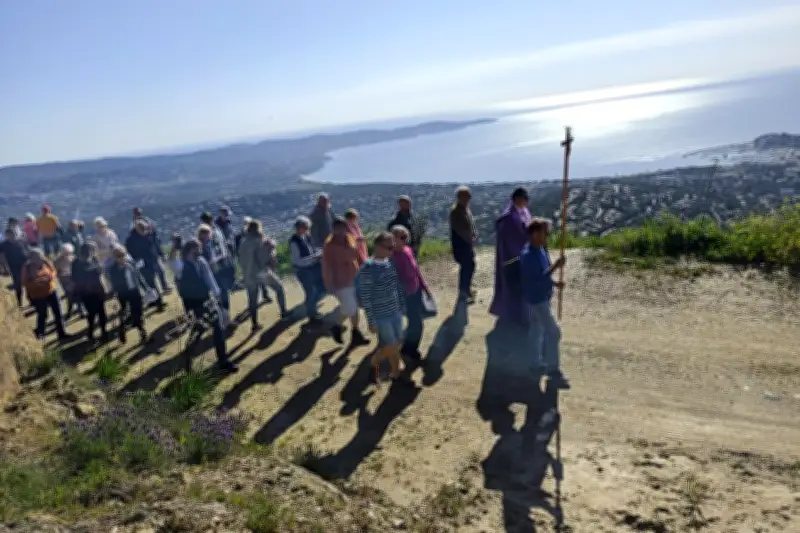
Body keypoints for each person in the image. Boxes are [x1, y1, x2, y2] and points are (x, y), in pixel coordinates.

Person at [357, 232, 415, 387]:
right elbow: (366, 297)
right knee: (392, 345)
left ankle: (395, 373)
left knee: (397, 343)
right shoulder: (367, 269)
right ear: (377, 246)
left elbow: (397, 286)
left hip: (395, 311)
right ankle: (375, 364)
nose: (392, 251)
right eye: (389, 247)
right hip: (381, 315)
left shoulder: (390, 263)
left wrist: (402, 305)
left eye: (393, 247)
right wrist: (371, 321)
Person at [520, 218, 569, 389]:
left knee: (537, 330)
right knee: (553, 332)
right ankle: (552, 368)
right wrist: (556, 267)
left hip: (540, 296)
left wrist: (555, 283)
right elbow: (537, 278)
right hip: (536, 299)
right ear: (534, 234)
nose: (546, 235)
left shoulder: (540, 250)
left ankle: (535, 363)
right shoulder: (528, 256)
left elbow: (544, 274)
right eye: (544, 232)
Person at [177, 239, 235, 372]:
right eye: (197, 248)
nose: (200, 251)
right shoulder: (181, 265)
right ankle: (188, 357)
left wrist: (217, 294)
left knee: (218, 328)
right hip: (194, 304)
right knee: (198, 331)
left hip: (206, 300)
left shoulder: (201, 261)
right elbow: (172, 262)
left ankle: (223, 361)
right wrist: (175, 247)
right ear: (190, 250)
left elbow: (209, 278)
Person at [322, 217, 368, 345]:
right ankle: (336, 327)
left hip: (354, 277)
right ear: (333, 229)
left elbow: (357, 255)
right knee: (350, 307)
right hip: (340, 281)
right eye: (337, 228)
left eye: (342, 228)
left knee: (354, 307)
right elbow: (327, 266)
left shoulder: (350, 238)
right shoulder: (329, 246)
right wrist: (329, 284)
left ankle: (355, 333)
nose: (340, 231)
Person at [490, 188, 533, 324]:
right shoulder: (508, 217)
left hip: (524, 253)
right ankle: (513, 316)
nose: (526, 202)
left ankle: (521, 314)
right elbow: (514, 238)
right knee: (514, 287)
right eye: (524, 199)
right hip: (512, 258)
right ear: (518, 199)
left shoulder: (523, 211)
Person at [238, 219, 288, 331]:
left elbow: (242, 260)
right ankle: (284, 312)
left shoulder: (243, 242)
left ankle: (255, 324)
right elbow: (267, 255)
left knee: (252, 300)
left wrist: (246, 274)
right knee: (279, 288)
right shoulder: (260, 240)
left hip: (249, 274)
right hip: (262, 272)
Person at [391, 225, 431, 362]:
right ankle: (409, 350)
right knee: (416, 323)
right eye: (400, 237)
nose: (404, 239)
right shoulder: (392, 257)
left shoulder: (407, 250)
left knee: (415, 322)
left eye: (405, 236)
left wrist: (425, 287)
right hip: (406, 295)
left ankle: (409, 349)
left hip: (416, 290)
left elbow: (416, 270)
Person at [106, 246, 149, 345]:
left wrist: (146, 287)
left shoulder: (130, 264)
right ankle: (122, 330)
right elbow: (114, 284)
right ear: (115, 258)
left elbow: (139, 277)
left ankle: (141, 331)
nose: (121, 258)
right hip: (123, 294)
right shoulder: (113, 270)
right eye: (119, 256)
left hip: (134, 292)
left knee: (138, 311)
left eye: (123, 255)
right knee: (125, 313)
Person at [21, 248, 67, 340]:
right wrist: (37, 283)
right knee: (43, 314)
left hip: (51, 291)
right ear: (32, 258)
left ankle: (62, 334)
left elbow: (53, 271)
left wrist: (50, 277)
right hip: (38, 295)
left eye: (40, 256)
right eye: (37, 257)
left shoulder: (45, 262)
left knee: (58, 312)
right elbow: (25, 282)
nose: (40, 259)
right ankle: (40, 334)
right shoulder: (27, 267)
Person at [289, 216, 325, 325]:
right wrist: (314, 257)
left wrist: (319, 252)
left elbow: (312, 249)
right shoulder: (294, 242)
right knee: (311, 292)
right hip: (303, 271)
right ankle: (312, 316)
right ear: (299, 227)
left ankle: (312, 310)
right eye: (305, 227)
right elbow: (298, 261)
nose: (307, 229)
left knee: (321, 289)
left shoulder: (307, 237)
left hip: (313, 268)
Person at [72, 242, 109, 344]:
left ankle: (104, 332)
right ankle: (91, 333)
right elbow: (75, 278)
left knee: (102, 313)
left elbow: (100, 273)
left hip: (98, 291)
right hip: (87, 293)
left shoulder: (94, 259)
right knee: (91, 314)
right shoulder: (77, 263)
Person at [125, 219, 166, 312]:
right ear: (137, 229)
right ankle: (158, 302)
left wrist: (161, 254)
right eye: (142, 230)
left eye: (145, 229)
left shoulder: (150, 234)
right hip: (143, 265)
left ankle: (155, 300)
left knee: (153, 282)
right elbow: (130, 253)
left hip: (153, 261)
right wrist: (136, 260)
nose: (144, 232)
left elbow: (156, 245)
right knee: (150, 283)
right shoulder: (131, 240)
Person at [199, 213, 235, 313]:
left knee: (221, 291)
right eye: (206, 220)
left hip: (220, 265)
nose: (208, 222)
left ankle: (223, 315)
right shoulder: (208, 232)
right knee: (220, 292)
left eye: (208, 220)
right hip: (215, 267)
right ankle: (223, 316)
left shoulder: (215, 230)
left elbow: (222, 246)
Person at [449, 185, 477, 304]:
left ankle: (466, 289)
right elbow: (460, 230)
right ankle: (463, 292)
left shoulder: (466, 209)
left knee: (470, 266)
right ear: (460, 197)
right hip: (461, 245)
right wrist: (470, 239)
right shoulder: (456, 212)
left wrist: (474, 235)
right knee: (467, 267)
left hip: (467, 243)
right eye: (467, 196)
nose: (469, 198)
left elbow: (471, 225)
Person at [132, 207, 171, 293]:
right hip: (145, 257)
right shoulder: (133, 226)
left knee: (161, 270)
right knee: (150, 276)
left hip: (153, 251)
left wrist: (160, 252)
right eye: (137, 213)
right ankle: (155, 293)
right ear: (134, 214)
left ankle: (165, 286)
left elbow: (154, 235)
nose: (139, 215)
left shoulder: (147, 220)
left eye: (139, 213)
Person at [0, 228, 28, 306]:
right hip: (14, 267)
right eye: (9, 235)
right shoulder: (3, 245)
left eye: (12, 234)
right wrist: (5, 268)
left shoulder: (20, 241)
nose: (11, 236)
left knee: (29, 282)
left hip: (25, 265)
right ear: (6, 235)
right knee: (18, 284)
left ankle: (33, 300)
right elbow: (2, 257)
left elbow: (26, 251)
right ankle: (19, 303)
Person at [53, 243, 82, 319]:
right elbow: (56, 271)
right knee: (70, 296)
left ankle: (80, 310)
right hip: (65, 280)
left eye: (69, 253)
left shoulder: (73, 258)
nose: (68, 254)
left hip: (73, 279)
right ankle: (70, 311)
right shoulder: (58, 260)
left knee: (77, 295)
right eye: (66, 253)